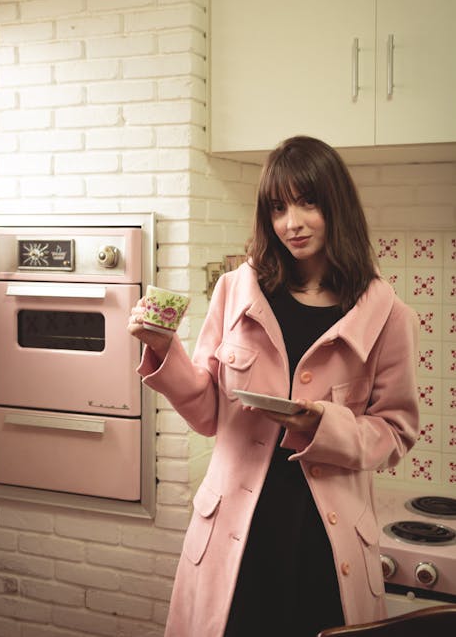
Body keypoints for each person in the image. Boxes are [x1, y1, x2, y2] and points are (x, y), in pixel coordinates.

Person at [128, 135, 420, 637]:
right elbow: (206, 413)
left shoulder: (385, 313)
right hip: (235, 540)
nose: (292, 223)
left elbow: (395, 434)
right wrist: (163, 349)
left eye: (308, 203)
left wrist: (321, 424)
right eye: (278, 207)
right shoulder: (236, 290)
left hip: (325, 546)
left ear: (337, 207)